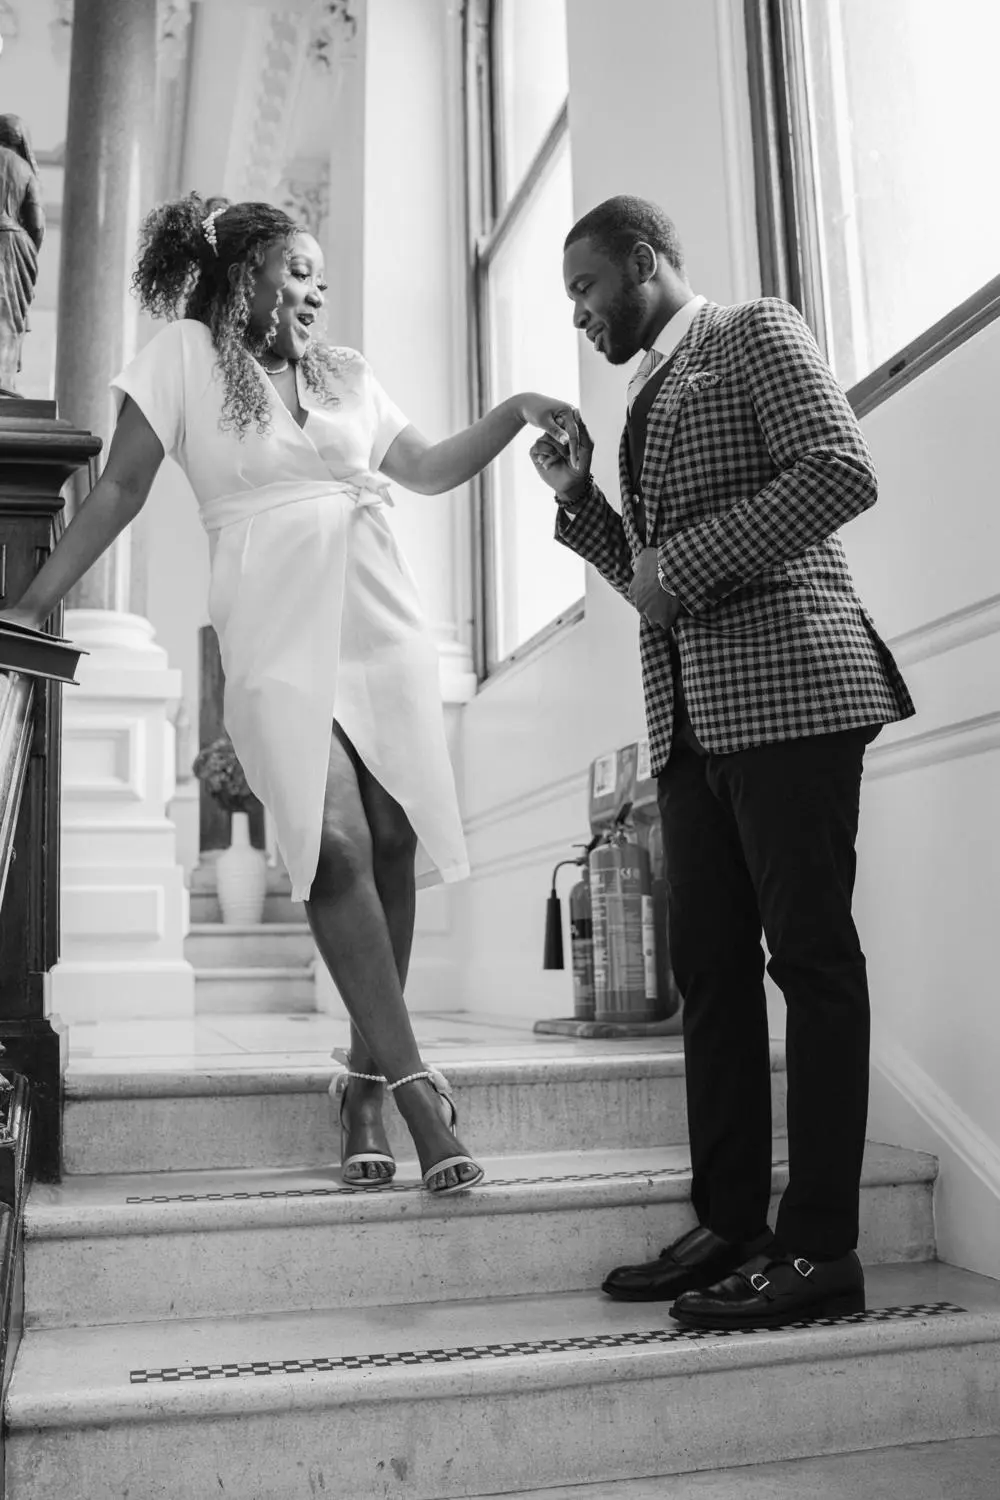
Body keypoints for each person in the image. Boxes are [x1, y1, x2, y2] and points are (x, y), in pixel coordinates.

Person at [1, 193, 583, 1197]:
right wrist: (30, 603)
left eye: (321, 276)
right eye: (299, 270)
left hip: (379, 618)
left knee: (393, 842)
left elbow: (430, 467)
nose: (315, 289)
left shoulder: (347, 373)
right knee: (334, 844)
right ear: (243, 275)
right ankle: (411, 1092)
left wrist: (519, 409)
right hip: (272, 625)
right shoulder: (179, 356)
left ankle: (359, 1079)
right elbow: (121, 489)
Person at [529, 195, 914, 1329]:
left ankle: (820, 1253)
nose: (579, 316)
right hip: (694, 725)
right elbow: (653, 584)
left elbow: (841, 468)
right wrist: (580, 501)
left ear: (643, 261)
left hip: (794, 691)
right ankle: (733, 1220)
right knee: (708, 968)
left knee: (810, 961)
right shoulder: (647, 392)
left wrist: (682, 561)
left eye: (585, 288)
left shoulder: (751, 331)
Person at [0, 115, 45, 392]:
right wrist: (28, 254)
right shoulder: (25, 170)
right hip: (13, 245)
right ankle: (3, 379)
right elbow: (37, 224)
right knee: (7, 314)